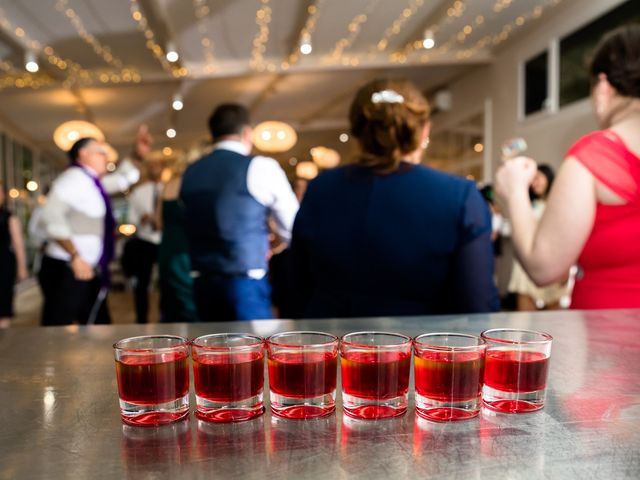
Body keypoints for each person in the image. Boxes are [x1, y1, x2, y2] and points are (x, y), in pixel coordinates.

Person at [290, 78, 499, 318]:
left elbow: (296, 290)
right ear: (425, 131)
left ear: (357, 132)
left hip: (336, 348)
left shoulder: (319, 190)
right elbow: (477, 306)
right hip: (423, 351)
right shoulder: (460, 196)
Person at [495, 25, 640, 309]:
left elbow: (543, 268)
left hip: (610, 339)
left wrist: (514, 191)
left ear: (603, 85)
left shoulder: (595, 156)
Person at [180, 103, 299, 321]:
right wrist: (276, 242)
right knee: (252, 353)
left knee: (210, 352)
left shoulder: (190, 172)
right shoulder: (261, 166)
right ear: (247, 133)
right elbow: (293, 226)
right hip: (246, 282)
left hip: (201, 281)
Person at [38, 127, 148, 326]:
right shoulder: (73, 179)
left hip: (85, 268)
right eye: (100, 152)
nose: (106, 156)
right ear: (83, 154)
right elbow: (51, 216)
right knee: (57, 329)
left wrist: (137, 154)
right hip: (69, 268)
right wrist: (75, 256)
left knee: (96, 325)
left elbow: (124, 179)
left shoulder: (92, 183)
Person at [507, 165, 569, 310]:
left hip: (552, 263)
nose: (535, 183)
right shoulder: (527, 205)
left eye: (538, 178)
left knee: (553, 322)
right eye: (532, 180)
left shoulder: (559, 205)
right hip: (525, 267)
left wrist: (565, 270)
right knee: (524, 319)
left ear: (548, 177)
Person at [126, 157, 164, 323]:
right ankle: (141, 320)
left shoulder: (168, 189)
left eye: (158, 166)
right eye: (152, 166)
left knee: (167, 283)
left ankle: (166, 317)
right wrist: (143, 219)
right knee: (142, 284)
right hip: (145, 240)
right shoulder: (138, 193)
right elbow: (131, 220)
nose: (155, 169)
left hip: (164, 241)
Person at [157, 172, 198, 323]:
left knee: (170, 297)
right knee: (187, 298)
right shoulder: (192, 183)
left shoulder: (167, 186)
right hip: (185, 249)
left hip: (167, 247)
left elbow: (158, 222)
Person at [0, 183, 28, 328]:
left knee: (3, 300)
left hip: (3, 263)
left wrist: (22, 268)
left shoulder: (9, 217)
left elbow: (18, 244)